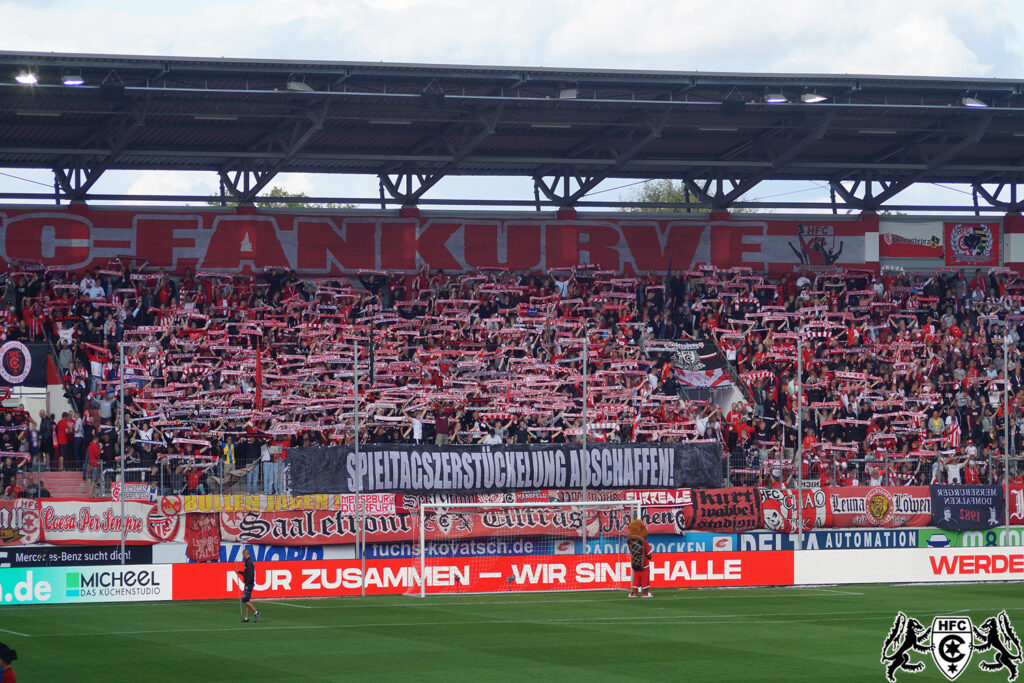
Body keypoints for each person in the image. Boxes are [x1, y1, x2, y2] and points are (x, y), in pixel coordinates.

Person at [626, 518, 652, 598]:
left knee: (636, 578)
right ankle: (645, 593)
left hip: (635, 563)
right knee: (645, 578)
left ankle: (634, 592)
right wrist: (649, 556)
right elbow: (649, 554)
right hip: (644, 564)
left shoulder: (630, 542)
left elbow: (631, 552)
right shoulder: (644, 542)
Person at [237, 547, 261, 623]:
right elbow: (247, 573)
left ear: (245, 554)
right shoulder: (248, 562)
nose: (243, 556)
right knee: (247, 600)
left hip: (249, 584)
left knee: (244, 600)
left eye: (243, 555)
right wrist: (240, 572)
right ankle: (246, 618)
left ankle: (256, 612)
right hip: (248, 583)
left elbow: (250, 574)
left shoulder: (249, 562)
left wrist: (247, 584)